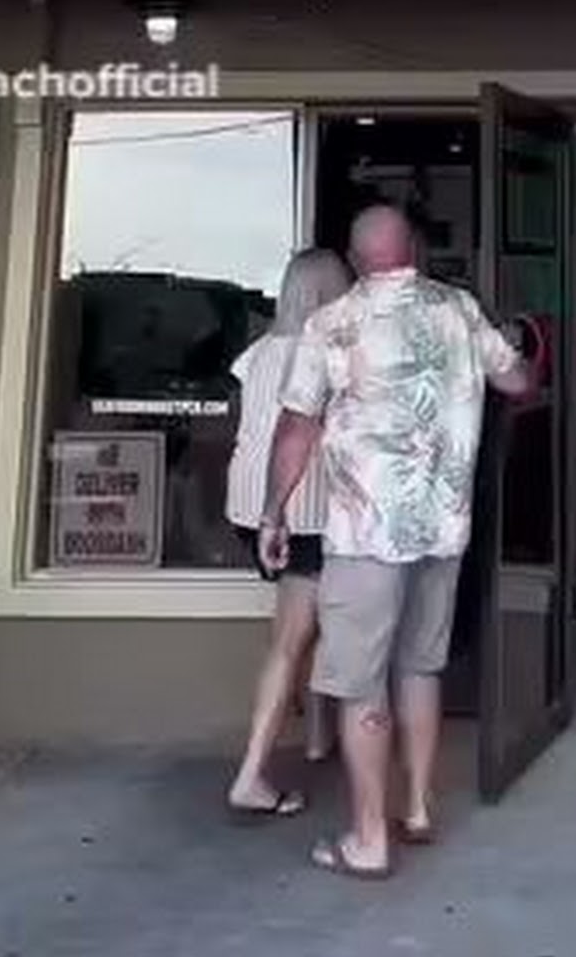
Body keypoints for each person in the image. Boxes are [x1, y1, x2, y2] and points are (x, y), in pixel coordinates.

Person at [260, 203, 536, 879]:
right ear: (412, 248)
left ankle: (367, 841)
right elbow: (519, 382)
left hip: (364, 537)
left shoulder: (333, 323)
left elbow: (296, 430)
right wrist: (519, 344)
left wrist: (274, 514)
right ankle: (414, 809)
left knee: (360, 687)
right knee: (419, 667)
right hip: (443, 531)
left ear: (355, 262)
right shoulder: (460, 310)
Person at [224, 246, 350, 818]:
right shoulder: (329, 353)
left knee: (306, 623)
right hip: (304, 513)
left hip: (249, 510)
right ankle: (251, 775)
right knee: (290, 641)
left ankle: (321, 735)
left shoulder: (256, 354)